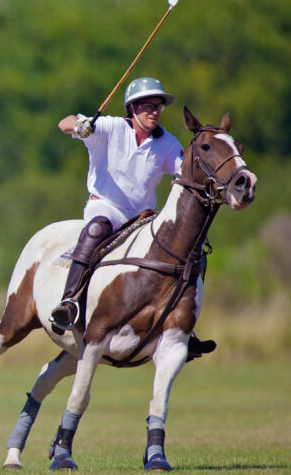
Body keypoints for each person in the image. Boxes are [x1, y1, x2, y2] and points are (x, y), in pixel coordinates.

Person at [49, 76, 215, 355]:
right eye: (148, 105)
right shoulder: (110, 127)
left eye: (159, 106)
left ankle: (185, 326)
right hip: (105, 207)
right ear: (132, 108)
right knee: (95, 231)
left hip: (142, 219)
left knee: (192, 252)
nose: (155, 111)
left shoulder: (167, 142)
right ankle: (70, 303)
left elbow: (185, 172)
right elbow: (64, 122)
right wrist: (80, 126)